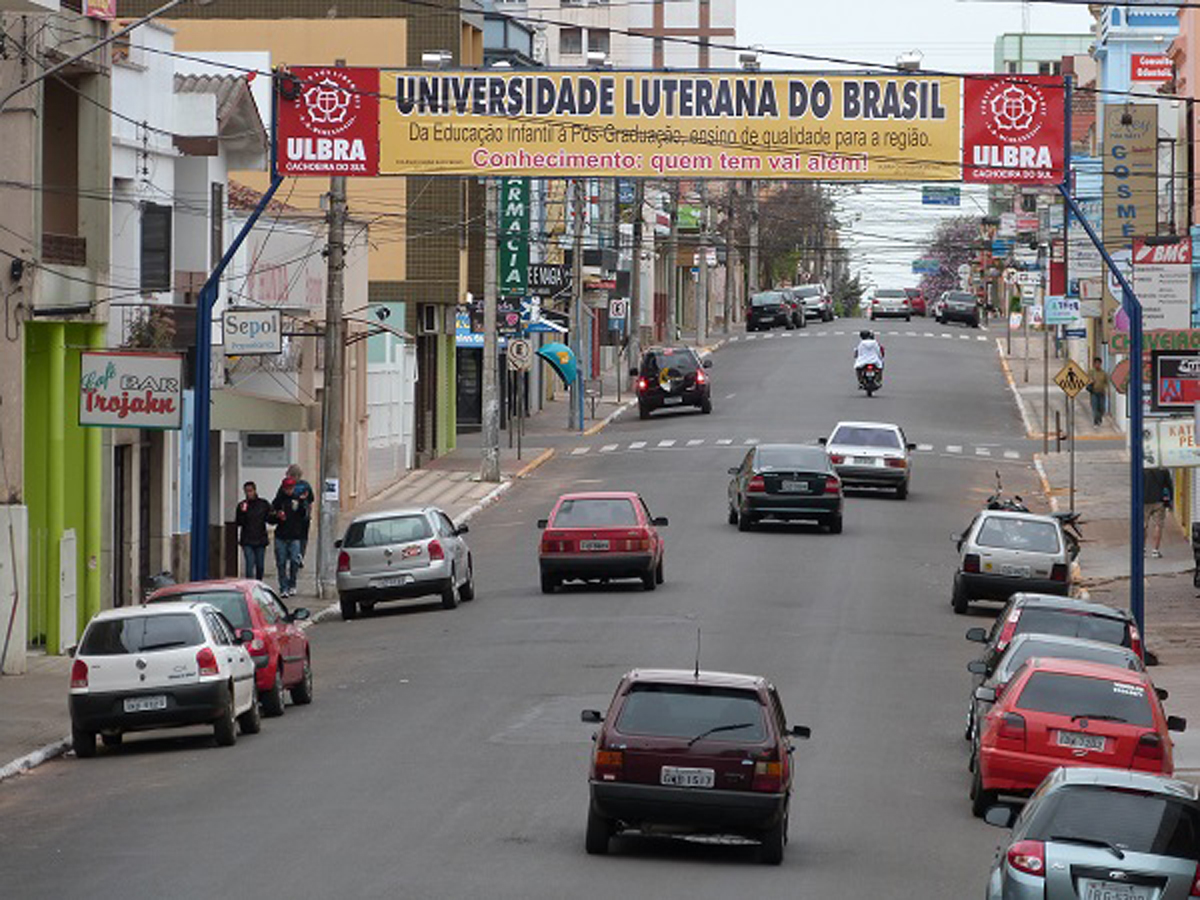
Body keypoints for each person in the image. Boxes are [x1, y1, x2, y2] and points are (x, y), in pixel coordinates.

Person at [271, 477, 309, 596]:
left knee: (294, 561)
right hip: (280, 536)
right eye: (287, 488)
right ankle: (283, 587)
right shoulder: (278, 501)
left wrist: (302, 503)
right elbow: (270, 518)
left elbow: (303, 515)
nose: (289, 490)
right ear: (283, 488)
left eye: (291, 488)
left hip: (294, 536)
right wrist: (277, 516)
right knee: (281, 562)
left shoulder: (298, 499)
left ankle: (292, 584)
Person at [235, 482, 272, 580]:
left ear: (255, 491)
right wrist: (242, 512)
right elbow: (239, 522)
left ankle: (259, 583)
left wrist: (276, 516)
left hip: (260, 539)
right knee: (249, 565)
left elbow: (270, 518)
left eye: (250, 491)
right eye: (246, 491)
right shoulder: (242, 505)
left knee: (260, 566)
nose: (249, 494)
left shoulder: (263, 504)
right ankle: (249, 584)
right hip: (247, 539)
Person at [285, 464, 314, 566]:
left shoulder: (304, 486)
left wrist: (308, 514)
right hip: (299, 517)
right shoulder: (305, 485)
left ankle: (298, 556)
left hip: (299, 517)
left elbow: (310, 501)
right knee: (301, 538)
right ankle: (298, 555)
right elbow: (310, 502)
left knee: (300, 537)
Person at [1144, 466, 1174, 559]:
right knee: (1158, 526)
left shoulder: (1142, 468)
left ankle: (1142, 549)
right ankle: (1155, 551)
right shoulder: (1163, 470)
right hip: (1159, 501)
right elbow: (1169, 486)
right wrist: (1170, 502)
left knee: (1143, 525)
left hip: (1144, 501)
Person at [1087, 357, 1109, 427]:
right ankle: (1096, 421)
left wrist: (1108, 392)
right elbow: (1087, 380)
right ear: (1094, 364)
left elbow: (1106, 383)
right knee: (1095, 408)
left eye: (1099, 363)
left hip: (1102, 392)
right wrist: (1090, 381)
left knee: (1102, 408)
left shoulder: (1103, 373)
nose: (1097, 365)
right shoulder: (1091, 372)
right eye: (1096, 363)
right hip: (1094, 392)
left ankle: (1099, 418)